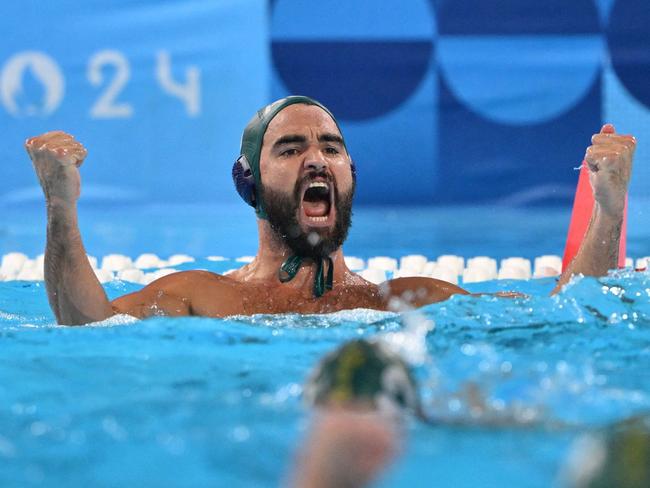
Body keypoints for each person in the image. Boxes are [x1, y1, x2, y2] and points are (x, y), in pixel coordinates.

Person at [24, 96, 636, 325]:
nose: (317, 159)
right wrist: (60, 209)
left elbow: (568, 315)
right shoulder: (199, 297)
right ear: (251, 186)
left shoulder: (407, 300)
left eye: (332, 148)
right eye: (290, 148)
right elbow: (85, 327)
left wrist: (607, 215)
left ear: (349, 177)